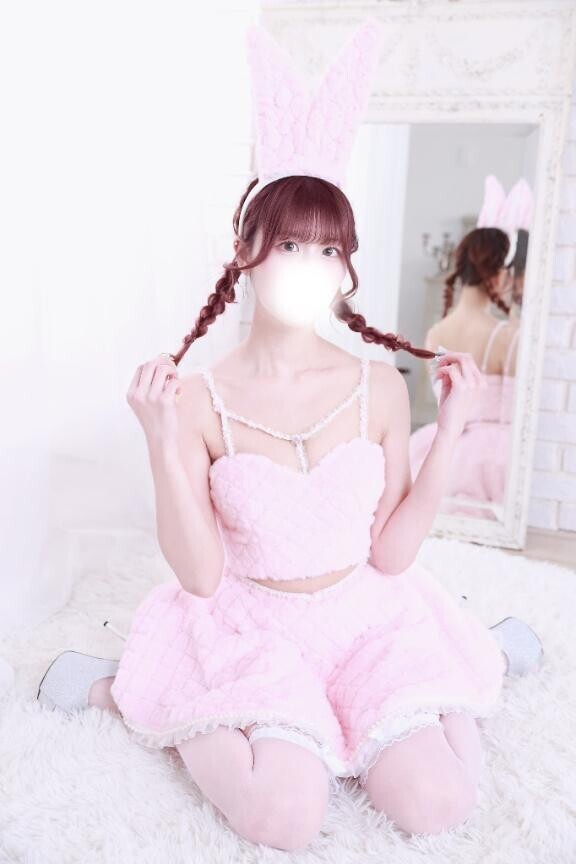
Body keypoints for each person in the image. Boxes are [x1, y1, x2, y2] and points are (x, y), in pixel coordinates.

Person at [37, 19, 543, 852]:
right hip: (252, 627)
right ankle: (134, 692)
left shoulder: (380, 387)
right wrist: (161, 442)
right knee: (285, 818)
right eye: (291, 243)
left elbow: (391, 556)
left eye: (329, 248)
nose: (311, 264)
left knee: (439, 802)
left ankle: (455, 664)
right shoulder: (200, 399)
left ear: (346, 268)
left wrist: (450, 429)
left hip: (364, 619)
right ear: (245, 251)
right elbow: (200, 576)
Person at [410, 227, 520, 520]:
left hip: (445, 447)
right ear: (500, 275)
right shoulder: (507, 335)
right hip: (493, 457)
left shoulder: (435, 333)